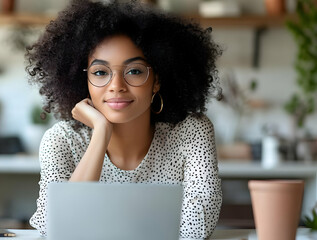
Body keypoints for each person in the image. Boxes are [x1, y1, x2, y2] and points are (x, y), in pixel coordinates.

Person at [26, 0, 223, 239]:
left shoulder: (191, 133)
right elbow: (56, 231)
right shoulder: (62, 141)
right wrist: (101, 132)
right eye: (100, 72)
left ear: (157, 80)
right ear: (84, 81)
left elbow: (196, 230)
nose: (116, 86)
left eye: (134, 71)